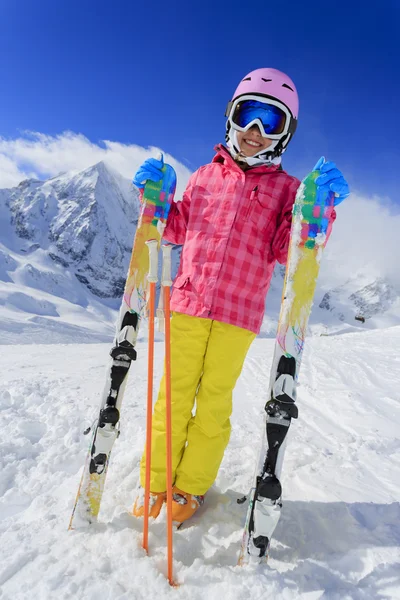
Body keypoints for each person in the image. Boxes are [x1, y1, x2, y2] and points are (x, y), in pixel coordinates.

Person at [132, 68, 349, 525]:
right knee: (170, 397)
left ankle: (189, 488)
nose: (254, 132)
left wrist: (316, 212)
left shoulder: (287, 191)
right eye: (248, 115)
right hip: (188, 305)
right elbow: (173, 228)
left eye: (269, 121)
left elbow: (288, 251)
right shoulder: (204, 178)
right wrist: (155, 200)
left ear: (284, 133)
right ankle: (155, 481)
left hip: (237, 315)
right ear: (230, 117)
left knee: (213, 404)